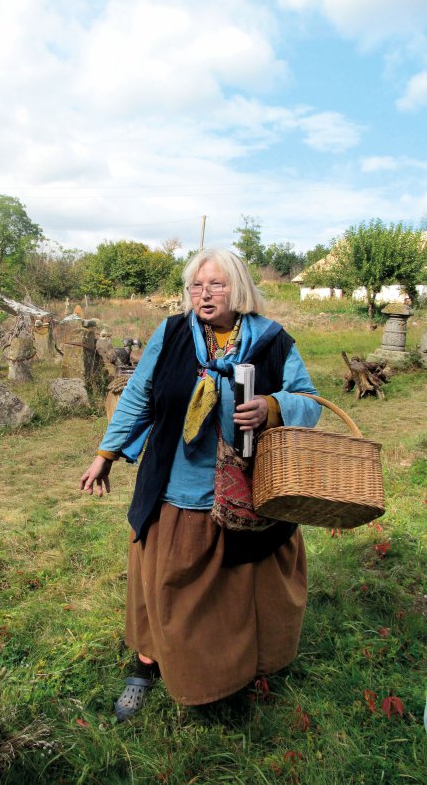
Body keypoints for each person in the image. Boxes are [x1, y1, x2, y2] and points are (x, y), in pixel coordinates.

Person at [79, 248, 321, 720]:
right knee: (165, 581)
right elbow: (139, 395)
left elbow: (309, 401)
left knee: (238, 590)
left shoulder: (272, 341)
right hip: (177, 485)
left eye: (217, 285)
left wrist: (273, 407)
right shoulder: (171, 334)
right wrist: (105, 454)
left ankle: (233, 674)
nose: (204, 294)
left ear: (239, 289)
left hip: (249, 490)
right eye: (196, 286)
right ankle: (147, 664)